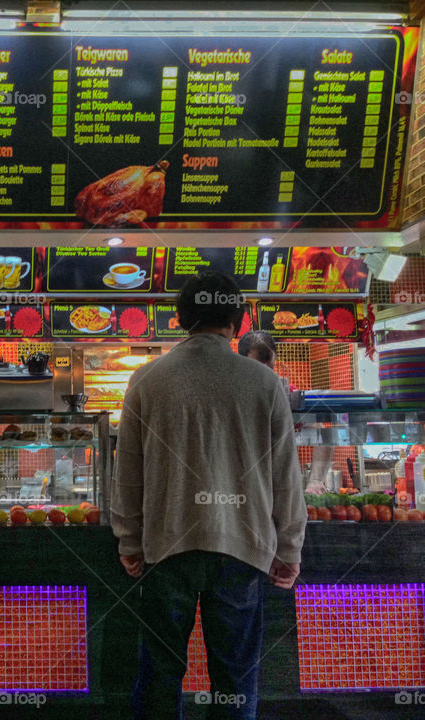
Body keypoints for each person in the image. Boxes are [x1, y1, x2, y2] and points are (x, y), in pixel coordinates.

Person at [112, 271, 306, 720]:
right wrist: (289, 546)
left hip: (167, 545)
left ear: (181, 319)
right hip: (244, 547)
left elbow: (128, 473)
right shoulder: (265, 383)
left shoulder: (146, 379)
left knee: (160, 672)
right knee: (235, 677)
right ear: (237, 321)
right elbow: (286, 476)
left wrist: (129, 540)